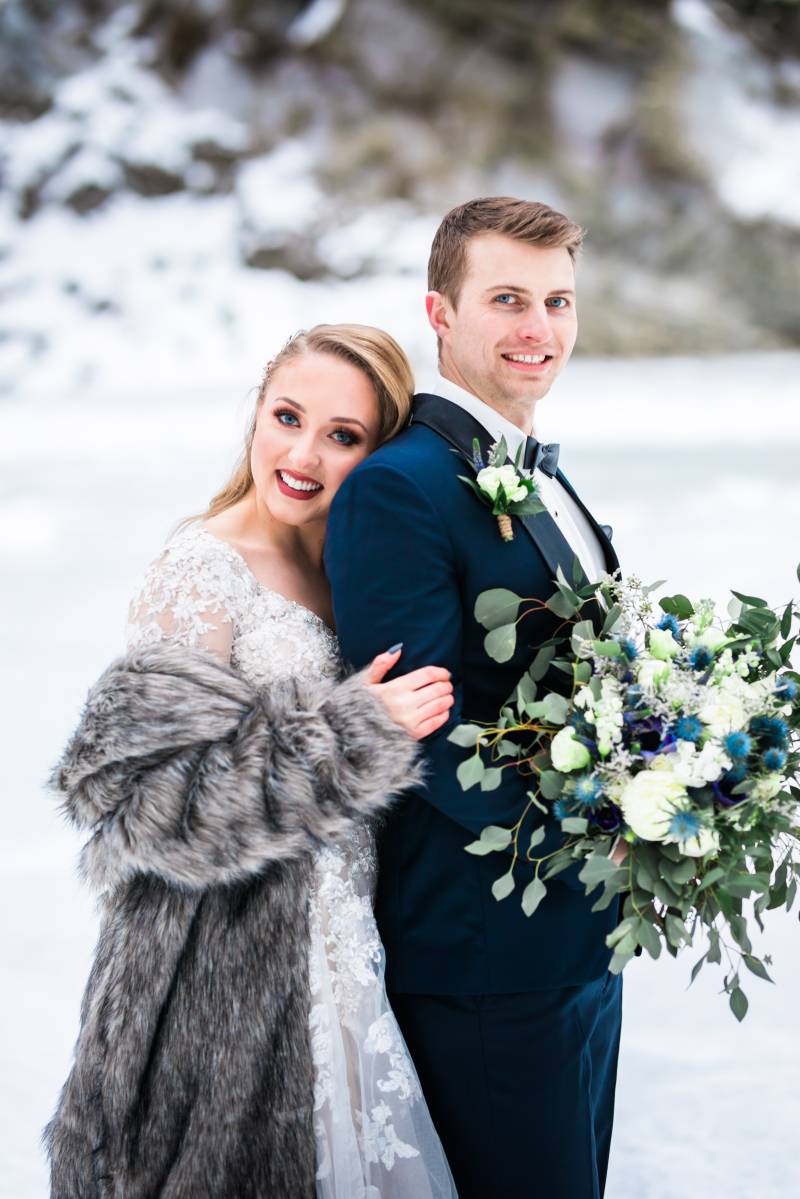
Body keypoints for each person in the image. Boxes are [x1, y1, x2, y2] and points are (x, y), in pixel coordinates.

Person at [45, 324, 459, 1198]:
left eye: (343, 435)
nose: (303, 453)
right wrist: (352, 733)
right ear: (256, 409)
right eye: (287, 416)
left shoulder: (347, 563)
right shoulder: (200, 570)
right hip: (225, 977)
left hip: (348, 942)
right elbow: (154, 807)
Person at [325, 198, 624, 1199]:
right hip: (481, 952)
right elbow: (419, 728)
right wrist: (590, 826)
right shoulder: (403, 485)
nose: (537, 326)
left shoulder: (537, 473)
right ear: (439, 313)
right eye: (505, 299)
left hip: (574, 939)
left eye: (556, 300)